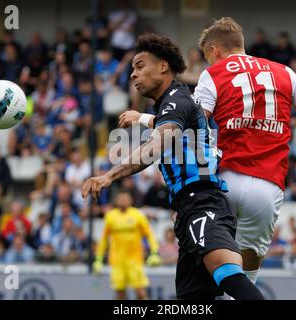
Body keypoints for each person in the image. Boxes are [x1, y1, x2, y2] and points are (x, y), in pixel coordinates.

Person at [119, 17, 296, 285]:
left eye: (208, 57)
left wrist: (141, 118)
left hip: (226, 183)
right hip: (268, 189)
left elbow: (187, 125)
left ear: (215, 51)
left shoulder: (215, 73)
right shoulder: (285, 73)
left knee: (209, 269)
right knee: (245, 277)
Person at [83, 34, 264, 300]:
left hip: (204, 202)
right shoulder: (173, 106)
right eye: (132, 69)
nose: (133, 74)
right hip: (188, 207)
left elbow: (156, 145)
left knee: (226, 272)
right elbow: (170, 125)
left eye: (140, 66)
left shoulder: (177, 100)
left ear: (163, 66)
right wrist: (142, 118)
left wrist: (109, 176)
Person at [92, 190, 160, 300]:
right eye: (120, 198)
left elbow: (149, 235)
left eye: (126, 198)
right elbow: (104, 239)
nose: (123, 200)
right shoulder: (110, 216)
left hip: (135, 261)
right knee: (120, 295)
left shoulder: (138, 215)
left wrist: (155, 253)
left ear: (131, 200)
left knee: (141, 293)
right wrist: (98, 259)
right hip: (117, 262)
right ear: (116, 200)